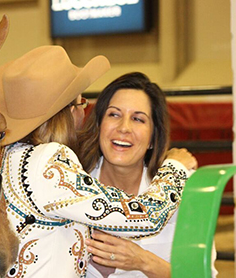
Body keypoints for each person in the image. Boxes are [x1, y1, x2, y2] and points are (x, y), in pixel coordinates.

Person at [0, 46, 196, 278]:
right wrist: (175, 167)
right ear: (64, 113)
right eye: (79, 103)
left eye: (138, 119)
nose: (82, 113)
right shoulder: (49, 160)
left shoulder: (8, 156)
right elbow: (148, 216)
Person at [78, 72, 217, 278]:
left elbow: (202, 275)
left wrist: (143, 261)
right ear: (99, 125)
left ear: (153, 137)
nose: (124, 128)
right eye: (114, 114)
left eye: (138, 119)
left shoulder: (184, 189)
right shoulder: (71, 185)